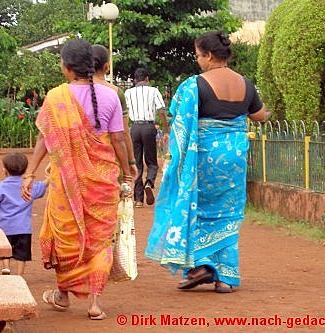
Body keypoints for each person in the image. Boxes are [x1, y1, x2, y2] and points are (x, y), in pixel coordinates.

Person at [145, 31, 271, 293]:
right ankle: (226, 276)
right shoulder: (246, 83)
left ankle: (201, 265)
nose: (197, 60)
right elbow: (260, 116)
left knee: (198, 207)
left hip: (204, 159)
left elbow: (177, 116)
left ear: (209, 55)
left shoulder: (194, 85)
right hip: (234, 159)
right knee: (228, 212)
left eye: (199, 55)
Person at [21, 39, 132, 320]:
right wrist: (128, 171)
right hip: (103, 182)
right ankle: (95, 302)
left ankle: (63, 294)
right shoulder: (110, 95)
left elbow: (45, 139)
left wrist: (30, 171)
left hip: (65, 185)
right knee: (100, 240)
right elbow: (118, 138)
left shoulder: (55, 97)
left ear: (67, 67)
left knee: (66, 238)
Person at [0, 152, 47, 276]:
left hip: (4, 227)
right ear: (25, 170)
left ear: (5, 170)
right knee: (22, 254)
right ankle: (19, 275)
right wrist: (49, 177)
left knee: (5, 250)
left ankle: (6, 268)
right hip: (23, 227)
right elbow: (43, 186)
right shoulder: (29, 187)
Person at [124, 68, 169, 208]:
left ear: (134, 80)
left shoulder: (128, 93)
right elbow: (161, 110)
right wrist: (166, 127)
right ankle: (149, 182)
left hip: (135, 128)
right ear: (147, 79)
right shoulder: (153, 91)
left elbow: (124, 114)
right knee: (151, 161)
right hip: (149, 127)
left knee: (136, 162)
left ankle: (138, 199)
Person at [91, 44, 138, 179]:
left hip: (80, 162)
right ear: (107, 66)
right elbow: (122, 134)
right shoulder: (115, 92)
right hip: (108, 160)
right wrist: (130, 162)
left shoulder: (72, 91)